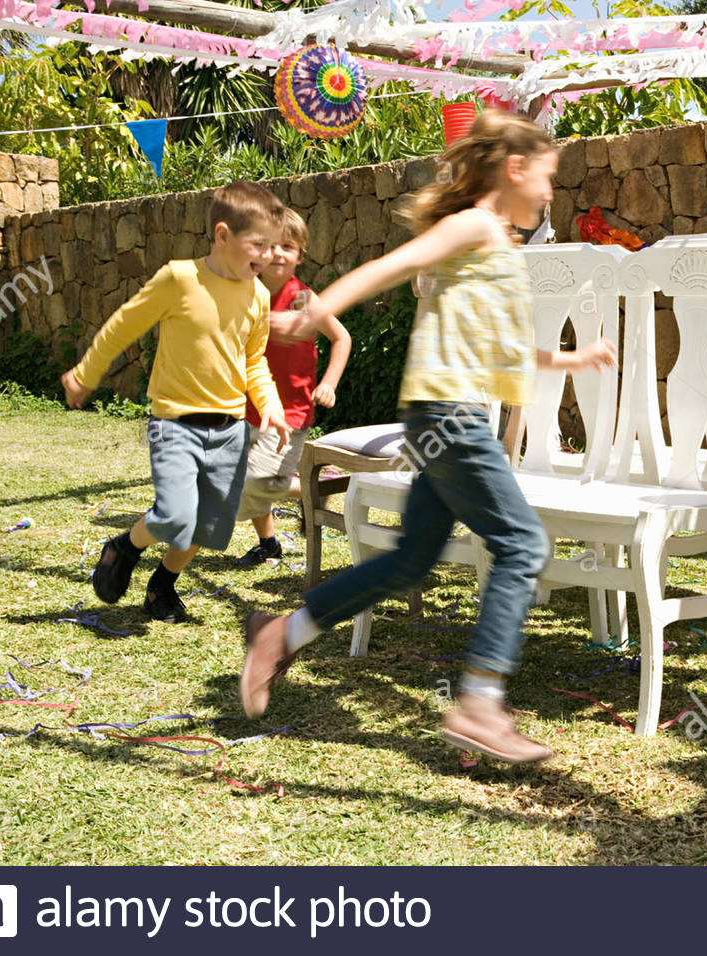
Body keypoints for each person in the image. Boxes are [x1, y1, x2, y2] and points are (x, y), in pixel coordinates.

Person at [238, 110, 615, 763]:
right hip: (450, 415)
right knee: (521, 542)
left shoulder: (496, 242)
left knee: (413, 559)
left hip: (440, 414)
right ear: (517, 169)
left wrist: (570, 362)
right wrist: (317, 313)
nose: (553, 192)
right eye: (549, 177)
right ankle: (479, 703)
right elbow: (391, 266)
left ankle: (280, 635)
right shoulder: (473, 225)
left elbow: (500, 345)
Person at [61, 181, 289, 623]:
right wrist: (85, 374)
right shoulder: (180, 279)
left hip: (230, 429)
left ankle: (161, 586)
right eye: (257, 244)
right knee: (175, 514)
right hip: (176, 423)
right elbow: (123, 325)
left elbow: (254, 361)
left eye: (273, 245)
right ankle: (124, 547)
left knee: (205, 526)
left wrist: (271, 405)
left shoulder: (258, 295)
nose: (267, 255)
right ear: (223, 235)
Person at [236, 208, 351, 568]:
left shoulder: (302, 298)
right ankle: (268, 542)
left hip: (291, 409)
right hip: (247, 403)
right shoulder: (245, 294)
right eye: (270, 245)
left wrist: (329, 383)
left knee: (255, 479)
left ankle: (312, 490)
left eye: (288, 246)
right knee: (246, 472)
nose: (279, 254)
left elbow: (341, 337)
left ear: (300, 254)